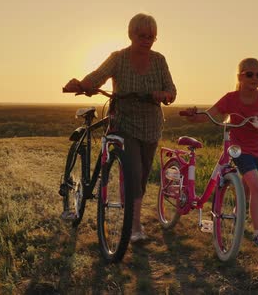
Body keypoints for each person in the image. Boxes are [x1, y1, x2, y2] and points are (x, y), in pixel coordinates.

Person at [63, 13, 177, 243]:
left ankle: (130, 214)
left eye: (151, 36)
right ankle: (134, 226)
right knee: (133, 171)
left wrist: (164, 95)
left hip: (151, 125)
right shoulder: (119, 58)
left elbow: (171, 91)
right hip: (123, 121)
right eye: (141, 35)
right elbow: (98, 75)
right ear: (131, 35)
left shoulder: (159, 60)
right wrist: (83, 85)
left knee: (142, 175)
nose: (146, 40)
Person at [184, 58, 258, 248]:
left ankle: (237, 212)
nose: (255, 78)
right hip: (238, 148)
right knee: (256, 186)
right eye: (249, 74)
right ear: (239, 76)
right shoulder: (230, 98)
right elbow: (210, 114)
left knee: (248, 187)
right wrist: (194, 117)